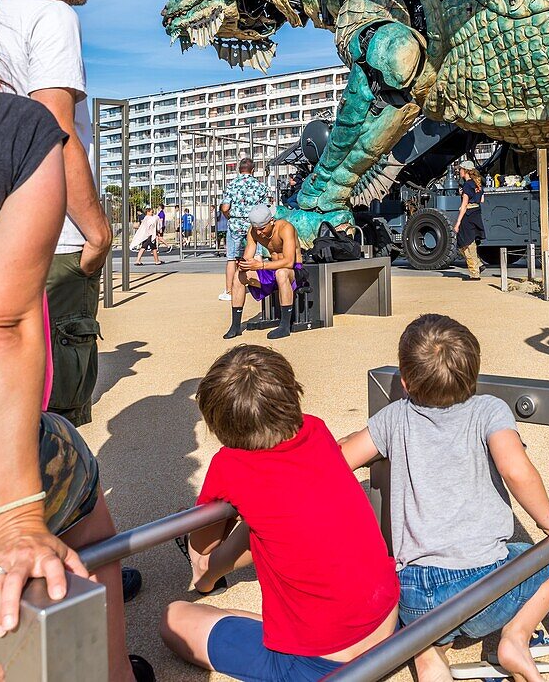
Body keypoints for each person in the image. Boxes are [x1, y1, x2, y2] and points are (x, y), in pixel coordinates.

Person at [0, 0, 153, 682]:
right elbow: (53, 123)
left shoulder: (0, 18)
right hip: (28, 239)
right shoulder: (47, 24)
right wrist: (94, 230)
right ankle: (90, 627)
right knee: (59, 429)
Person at [339, 314, 549, 682]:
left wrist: (345, 441)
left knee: (428, 638)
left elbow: (341, 460)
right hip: (486, 587)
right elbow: (516, 471)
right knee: (546, 566)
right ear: (473, 374)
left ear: (405, 382)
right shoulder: (489, 410)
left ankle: (428, 653)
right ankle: (515, 638)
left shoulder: (393, 418)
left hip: (414, 595)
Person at [161, 345, 399, 681]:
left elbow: (205, 537)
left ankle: (204, 579)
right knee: (265, 519)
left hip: (321, 663)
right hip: (388, 619)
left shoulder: (230, 465)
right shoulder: (315, 429)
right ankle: (209, 579)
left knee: (174, 618)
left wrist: (202, 564)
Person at [0, 0, 112, 430]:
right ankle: (62, 513)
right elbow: (55, 129)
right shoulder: (53, 16)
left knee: (1, 402)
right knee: (57, 414)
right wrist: (97, 230)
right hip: (51, 235)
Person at [225, 205, 303, 340]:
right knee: (239, 276)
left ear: (271, 221)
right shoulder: (253, 231)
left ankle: (284, 326)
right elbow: (249, 255)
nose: (259, 233)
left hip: (293, 270)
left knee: (282, 273)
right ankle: (236, 326)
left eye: (262, 229)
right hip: (271, 268)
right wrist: (244, 264)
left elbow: (289, 262)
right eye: (256, 229)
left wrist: (260, 265)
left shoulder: (285, 228)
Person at [218, 157, 272, 302]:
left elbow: (225, 207)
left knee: (232, 258)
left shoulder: (232, 185)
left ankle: (229, 291)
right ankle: (261, 285)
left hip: (235, 223)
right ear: (253, 170)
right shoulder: (260, 186)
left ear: (239, 169)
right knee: (257, 255)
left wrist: (229, 216)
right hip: (254, 225)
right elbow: (266, 208)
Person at [453, 159, 484, 280]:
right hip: (476, 213)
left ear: (465, 171)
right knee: (471, 242)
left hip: (468, 214)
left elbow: (464, 205)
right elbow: (482, 200)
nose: (459, 171)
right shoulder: (477, 183)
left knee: (464, 244)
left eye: (461, 169)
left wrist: (458, 223)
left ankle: (474, 271)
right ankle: (478, 264)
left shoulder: (467, 185)